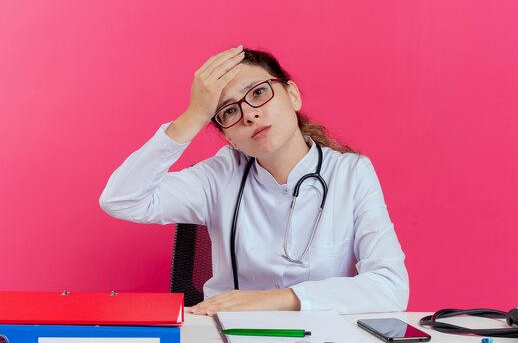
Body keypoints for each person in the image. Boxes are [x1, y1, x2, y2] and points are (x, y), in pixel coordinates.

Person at [100, 45, 409, 315]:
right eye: (229, 111)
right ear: (229, 138)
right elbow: (122, 199)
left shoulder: (351, 173)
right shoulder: (219, 176)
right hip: (225, 339)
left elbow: (390, 286)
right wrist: (194, 115)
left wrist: (280, 299)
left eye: (259, 92)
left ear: (293, 95)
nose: (249, 115)